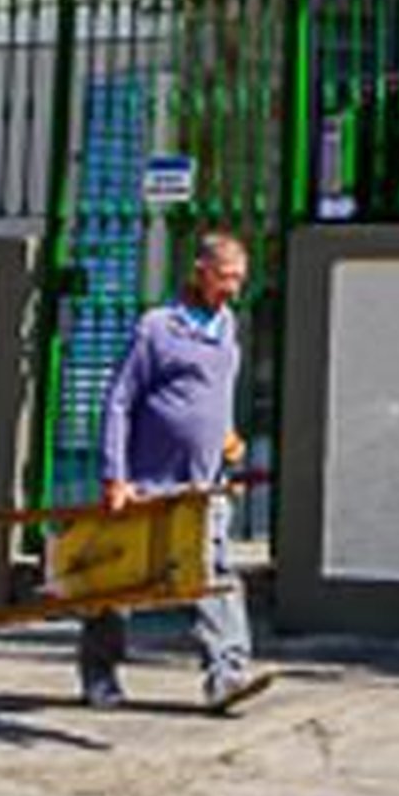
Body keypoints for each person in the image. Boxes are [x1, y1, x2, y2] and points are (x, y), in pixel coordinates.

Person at [76, 225, 268, 715]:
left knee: (217, 571)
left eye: (240, 279)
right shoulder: (157, 328)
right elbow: (120, 401)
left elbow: (213, 398)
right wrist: (114, 475)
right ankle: (99, 674)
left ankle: (226, 675)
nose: (233, 288)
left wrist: (227, 438)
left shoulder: (228, 329)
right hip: (148, 479)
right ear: (200, 273)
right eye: (225, 277)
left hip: (206, 483)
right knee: (119, 580)